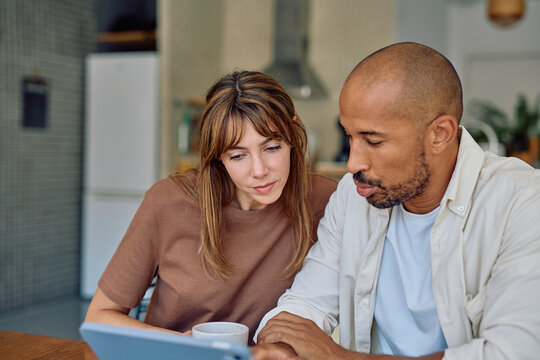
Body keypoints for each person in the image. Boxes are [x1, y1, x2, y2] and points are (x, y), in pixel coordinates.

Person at [252, 42, 540, 359]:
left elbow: (513, 352)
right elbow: (306, 304)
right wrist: (280, 347)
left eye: (373, 140)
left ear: (440, 133)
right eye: (350, 136)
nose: (352, 164)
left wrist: (339, 357)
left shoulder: (523, 203)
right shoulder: (352, 194)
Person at [84, 70, 337, 344]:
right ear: (218, 156)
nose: (259, 170)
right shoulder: (168, 203)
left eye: (272, 147)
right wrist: (183, 345)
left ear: (293, 133)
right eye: (238, 155)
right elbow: (99, 316)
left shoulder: (327, 201)